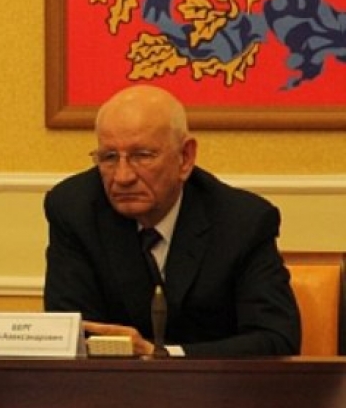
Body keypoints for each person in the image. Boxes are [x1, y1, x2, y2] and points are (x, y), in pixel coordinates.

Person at [43, 84, 300, 356]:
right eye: (109, 157)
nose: (122, 176)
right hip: (111, 382)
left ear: (185, 157)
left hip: (212, 381)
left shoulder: (242, 222)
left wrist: (165, 354)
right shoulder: (75, 209)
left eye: (142, 156)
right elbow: (70, 335)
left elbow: (276, 339)